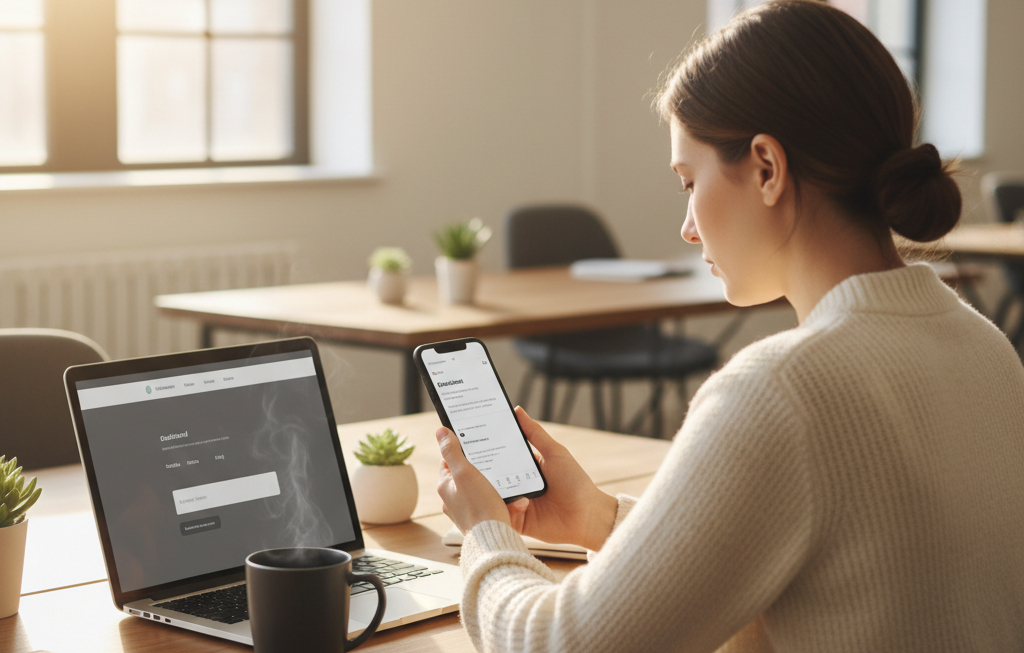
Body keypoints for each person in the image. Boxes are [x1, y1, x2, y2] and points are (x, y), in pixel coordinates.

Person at [434, 1, 1024, 651]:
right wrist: (601, 517)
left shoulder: (780, 391)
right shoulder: (987, 347)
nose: (688, 227)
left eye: (690, 182)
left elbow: (558, 644)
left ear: (767, 168)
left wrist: (486, 531)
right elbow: (835, 566)